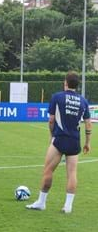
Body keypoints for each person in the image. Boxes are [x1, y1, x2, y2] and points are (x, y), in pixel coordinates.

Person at [26, 71, 92, 213]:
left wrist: (52, 135)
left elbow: (51, 120)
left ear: (65, 83)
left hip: (59, 138)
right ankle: (68, 206)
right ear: (77, 85)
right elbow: (88, 124)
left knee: (48, 170)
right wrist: (87, 142)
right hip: (75, 140)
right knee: (72, 173)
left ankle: (41, 202)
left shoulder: (57, 97)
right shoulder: (83, 101)